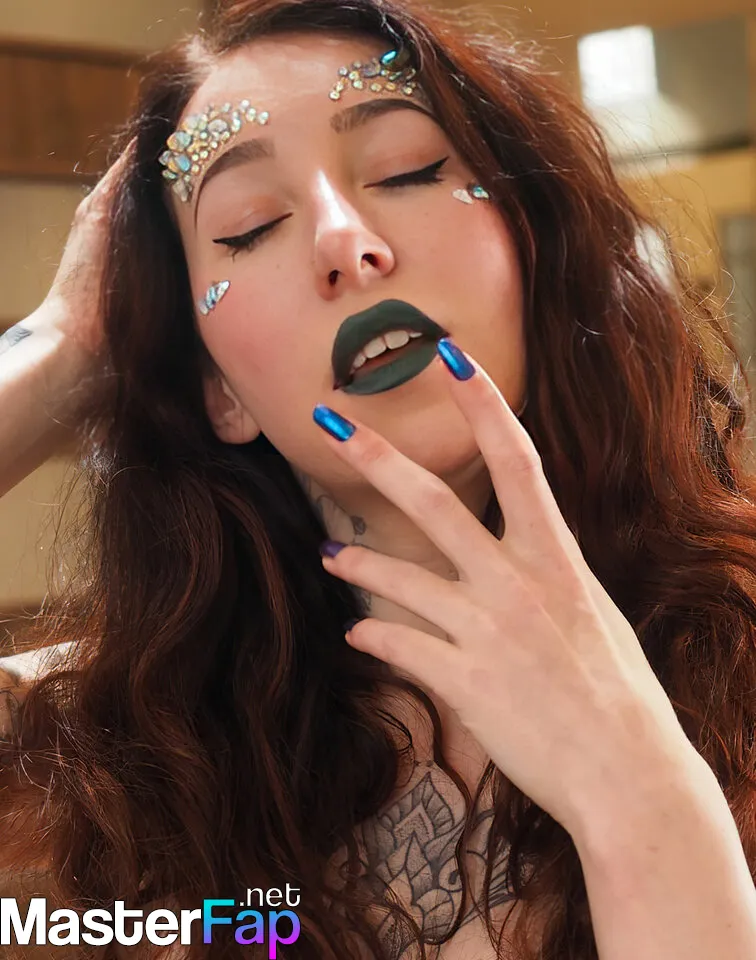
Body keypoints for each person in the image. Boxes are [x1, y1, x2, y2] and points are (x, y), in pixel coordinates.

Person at [1, 0, 755, 957]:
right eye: (250, 226)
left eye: (409, 170)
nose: (343, 241)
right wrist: (59, 350)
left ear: (532, 245)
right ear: (219, 392)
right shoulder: (122, 740)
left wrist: (643, 796)